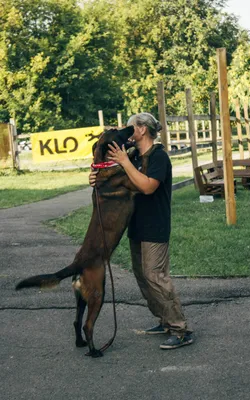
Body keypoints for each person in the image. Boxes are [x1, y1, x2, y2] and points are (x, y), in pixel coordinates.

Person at [89, 112, 193, 350]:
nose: (127, 132)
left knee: (155, 277)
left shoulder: (158, 157)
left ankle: (181, 330)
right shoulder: (133, 156)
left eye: (130, 128)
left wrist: (125, 163)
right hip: (135, 226)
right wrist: (95, 177)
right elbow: (113, 180)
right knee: (143, 277)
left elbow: (147, 187)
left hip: (155, 226)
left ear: (142, 129)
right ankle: (165, 320)